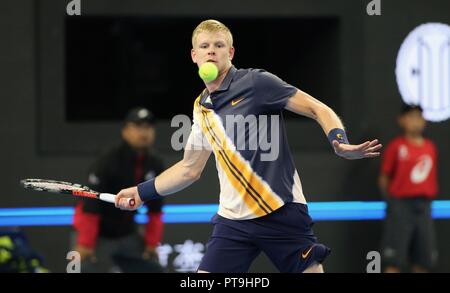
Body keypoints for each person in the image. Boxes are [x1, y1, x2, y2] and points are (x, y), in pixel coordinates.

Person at [115, 19, 382, 273]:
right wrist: (141, 192)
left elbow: (316, 108)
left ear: (230, 52)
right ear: (194, 55)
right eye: (205, 46)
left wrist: (338, 140)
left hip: (281, 211)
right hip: (233, 223)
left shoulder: (256, 83)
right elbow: (189, 169)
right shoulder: (201, 108)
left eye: (218, 46)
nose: (212, 52)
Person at [73, 107, 165, 273]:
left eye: (148, 127)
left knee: (155, 270)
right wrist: (85, 243)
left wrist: (152, 243)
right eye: (138, 126)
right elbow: (90, 204)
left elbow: (156, 209)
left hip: (127, 235)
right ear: (125, 131)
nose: (144, 132)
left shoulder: (155, 163)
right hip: (95, 235)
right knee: (79, 269)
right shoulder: (108, 160)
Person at [379, 104, 438, 273]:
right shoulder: (396, 147)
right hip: (400, 206)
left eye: (418, 117)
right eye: (411, 117)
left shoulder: (430, 147)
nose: (415, 121)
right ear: (401, 121)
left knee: (423, 260)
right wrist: (392, 203)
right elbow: (384, 178)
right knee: (394, 260)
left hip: (424, 207)